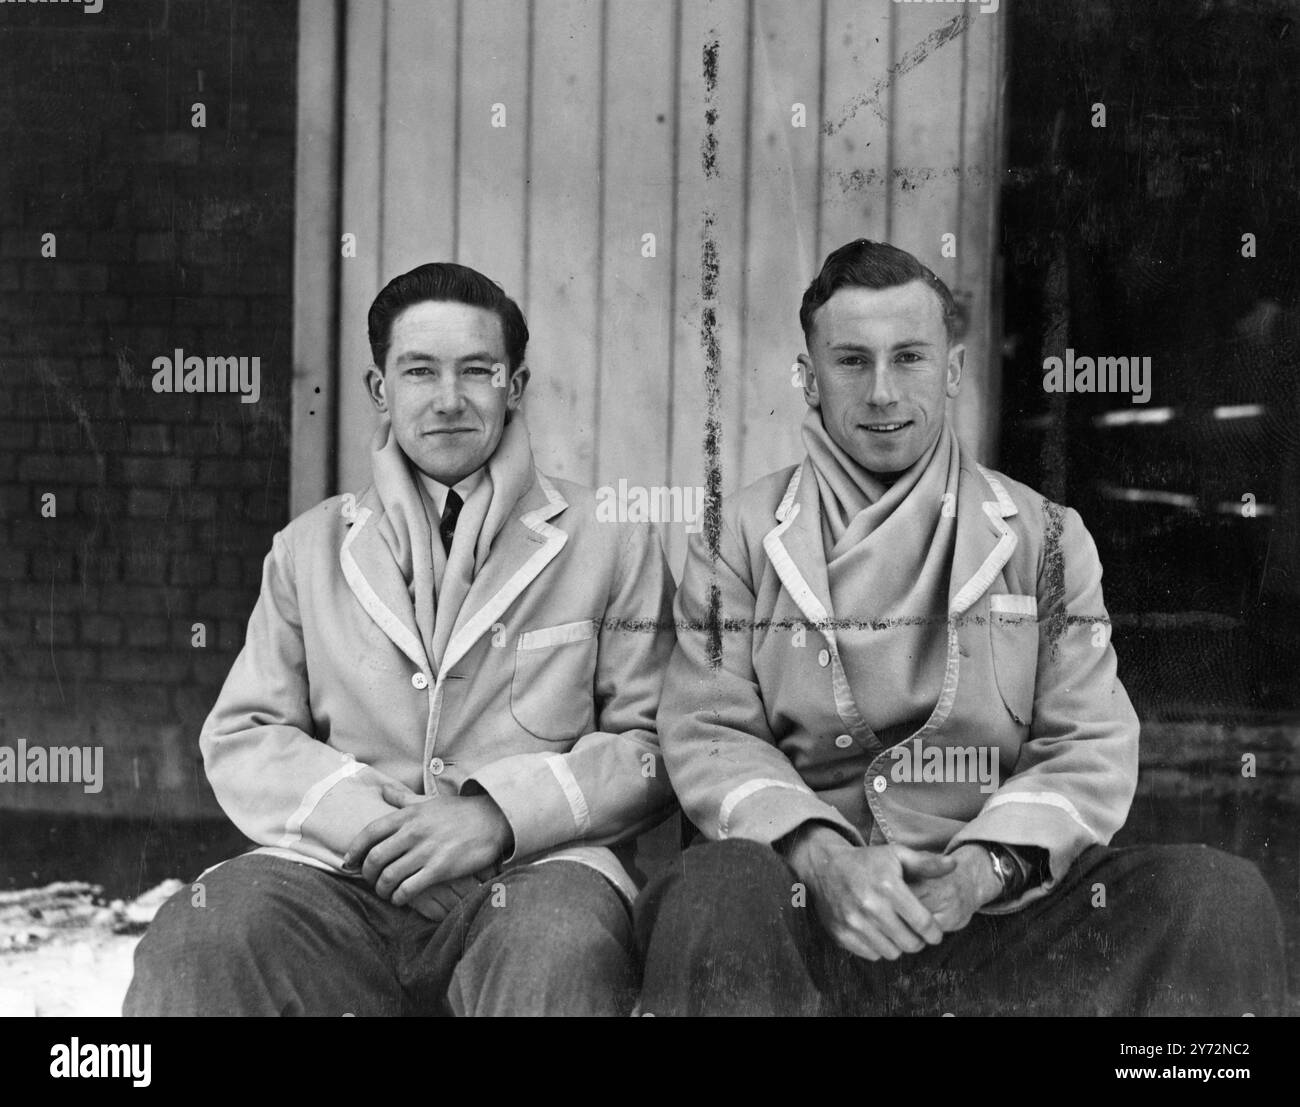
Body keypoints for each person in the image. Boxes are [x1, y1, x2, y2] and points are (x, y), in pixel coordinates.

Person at [634, 239, 1287, 1017]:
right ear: (808, 381)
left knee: (1218, 894)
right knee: (713, 888)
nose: (882, 391)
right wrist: (827, 858)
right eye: (851, 361)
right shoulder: (735, 537)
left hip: (997, 919)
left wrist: (983, 868)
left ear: (950, 371)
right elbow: (709, 731)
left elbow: (1088, 743)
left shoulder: (1045, 537)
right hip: (807, 911)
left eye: (909, 357)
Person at [125, 262, 676, 1016]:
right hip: (343, 876)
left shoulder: (610, 537)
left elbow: (651, 746)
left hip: (535, 871)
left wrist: (495, 817)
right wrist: (379, 826)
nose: (449, 400)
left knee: (558, 948)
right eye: (420, 371)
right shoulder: (308, 547)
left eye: (477, 371)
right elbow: (244, 734)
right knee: (202, 936)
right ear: (379, 389)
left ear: (514, 386)